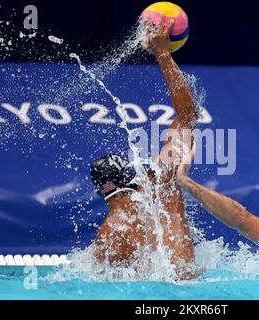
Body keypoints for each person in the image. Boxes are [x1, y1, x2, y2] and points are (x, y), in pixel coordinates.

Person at [89, 17, 197, 280]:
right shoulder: (161, 185)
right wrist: (162, 54)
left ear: (103, 190)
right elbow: (187, 116)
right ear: (130, 173)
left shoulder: (107, 236)